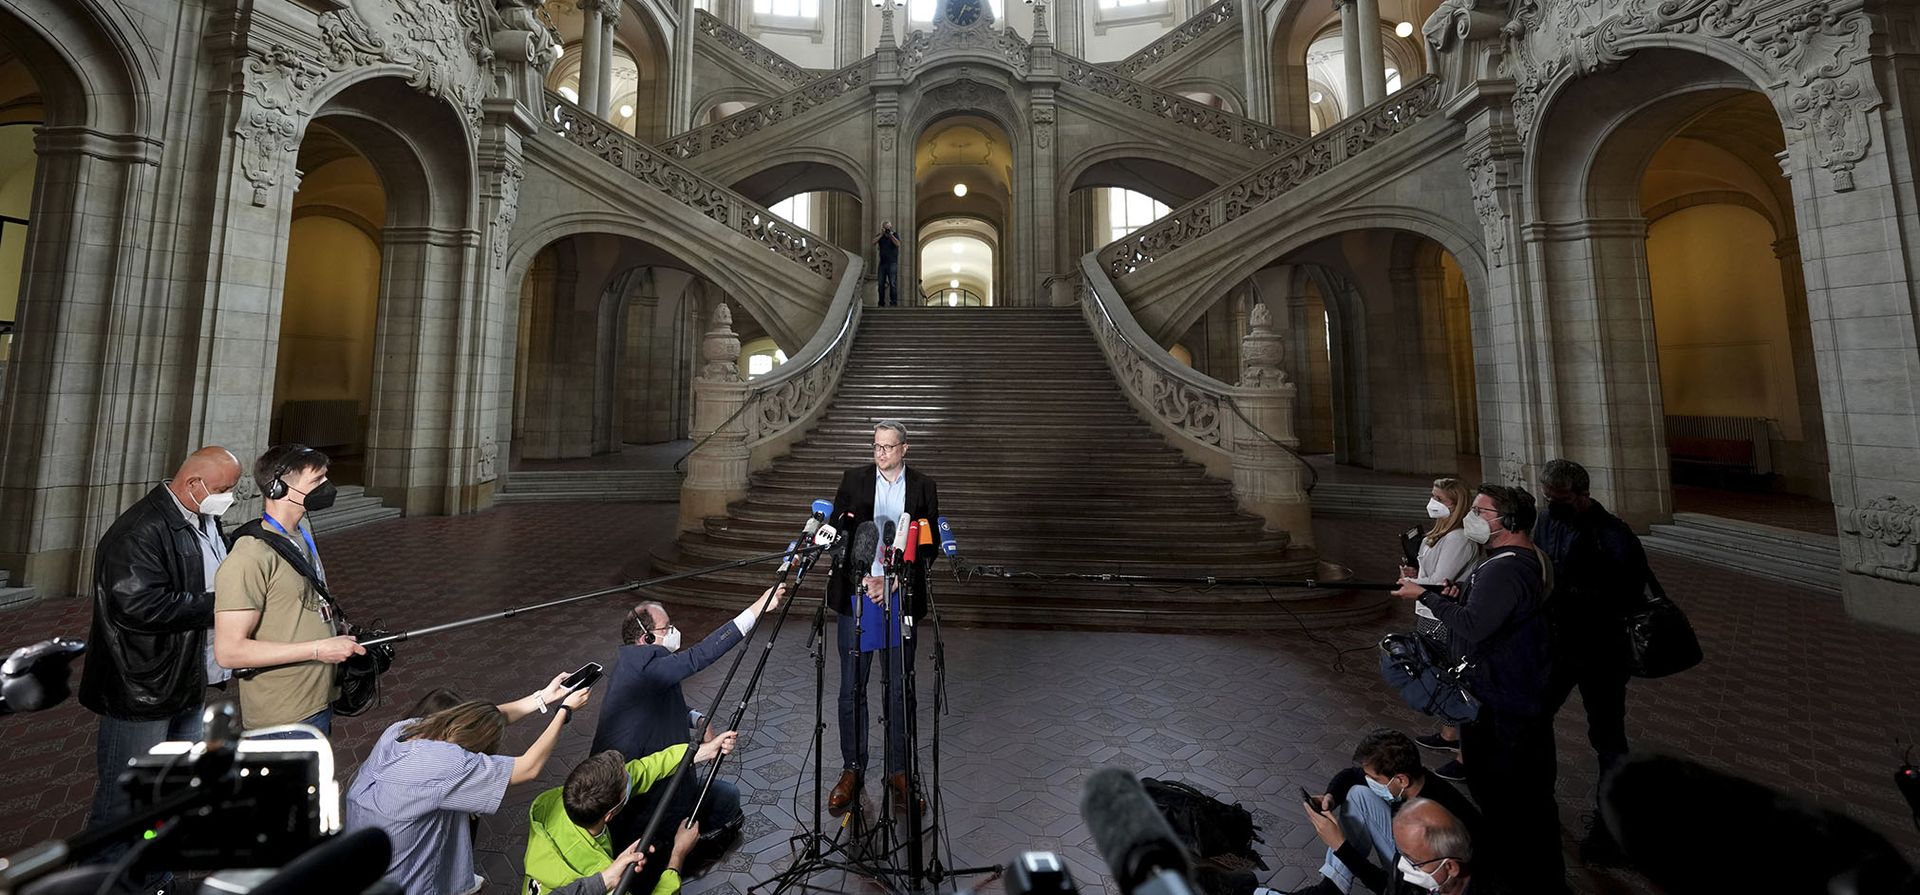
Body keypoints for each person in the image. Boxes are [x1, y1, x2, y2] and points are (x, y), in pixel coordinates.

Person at [1392, 484, 1559, 895]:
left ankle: (1521, 877)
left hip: (1504, 700)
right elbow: (1487, 612)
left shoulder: (1506, 567)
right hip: (1507, 694)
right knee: (1518, 796)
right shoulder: (1512, 561)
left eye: (1481, 513)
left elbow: (1474, 626)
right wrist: (1456, 595)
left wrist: (1428, 598)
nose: (1474, 519)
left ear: (1509, 522)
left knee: (1508, 797)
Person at [79, 447, 242, 848]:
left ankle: (151, 876)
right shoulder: (140, 529)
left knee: (168, 790)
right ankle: (104, 880)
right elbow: (138, 606)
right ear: (193, 484)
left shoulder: (202, 518)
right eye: (223, 488)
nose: (229, 496)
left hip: (185, 678)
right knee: (125, 801)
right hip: (144, 687)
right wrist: (223, 607)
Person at [592, 584, 787, 881]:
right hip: (641, 797)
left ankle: (682, 839)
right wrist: (760, 606)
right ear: (646, 637)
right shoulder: (645, 666)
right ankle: (674, 853)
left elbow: (665, 700)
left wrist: (697, 718)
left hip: (669, 779)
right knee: (722, 805)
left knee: (728, 799)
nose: (674, 632)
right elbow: (701, 655)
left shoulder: (640, 665)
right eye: (667, 627)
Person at [345, 674, 593, 895]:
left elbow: (476, 721)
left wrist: (543, 697)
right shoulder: (446, 764)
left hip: (363, 867)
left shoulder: (401, 731)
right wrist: (564, 711)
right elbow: (529, 767)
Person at [1533, 458, 1649, 863]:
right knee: (1535, 715)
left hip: (1602, 651)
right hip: (1559, 645)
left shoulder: (1613, 534)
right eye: (1548, 497)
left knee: (1608, 736)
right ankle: (1537, 797)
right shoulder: (1547, 520)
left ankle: (1612, 823)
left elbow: (1629, 593)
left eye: (1559, 498)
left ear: (1581, 495)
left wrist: (1572, 593)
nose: (1552, 504)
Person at [825, 420, 939, 813]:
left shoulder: (923, 487)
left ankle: (898, 771)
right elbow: (838, 533)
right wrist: (862, 575)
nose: (881, 454)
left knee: (898, 688)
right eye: (876, 447)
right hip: (857, 596)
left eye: (889, 447)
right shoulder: (853, 481)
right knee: (850, 690)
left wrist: (893, 582)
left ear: (904, 449)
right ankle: (852, 769)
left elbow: (929, 548)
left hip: (898, 598)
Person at [214, 444, 364, 733]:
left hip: (319, 698)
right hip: (284, 714)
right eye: (317, 481)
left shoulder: (302, 530)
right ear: (278, 489)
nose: (328, 487)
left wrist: (334, 629)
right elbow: (229, 652)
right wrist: (319, 648)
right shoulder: (250, 556)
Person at [522, 735, 739, 895]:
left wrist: (700, 752)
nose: (630, 776)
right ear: (609, 814)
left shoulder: (564, 800)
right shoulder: (599, 877)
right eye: (625, 786)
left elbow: (641, 769)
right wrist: (678, 855)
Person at [1290, 730, 1482, 895]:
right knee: (1358, 794)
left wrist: (1340, 846)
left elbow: (1390, 888)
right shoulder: (1410, 780)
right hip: (1427, 862)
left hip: (1435, 877)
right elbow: (1350, 776)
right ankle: (1331, 889)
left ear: (1401, 780)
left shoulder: (1433, 819)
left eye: (1374, 778)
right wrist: (1330, 797)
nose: (1369, 780)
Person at [1400, 478, 1480, 781]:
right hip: (1427, 611)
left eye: (1439, 498)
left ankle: (1466, 756)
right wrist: (1413, 574)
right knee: (1437, 671)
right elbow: (1428, 574)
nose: (1432, 502)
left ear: (1454, 504)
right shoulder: (1438, 533)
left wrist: (1414, 583)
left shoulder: (1459, 537)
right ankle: (1450, 734)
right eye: (1431, 495)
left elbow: (1441, 579)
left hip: (1443, 616)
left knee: (1451, 679)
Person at [874, 221, 901, 307]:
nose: (887, 230)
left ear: (891, 227)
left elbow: (898, 244)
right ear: (882, 228)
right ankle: (881, 302)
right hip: (882, 263)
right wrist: (881, 234)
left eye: (888, 228)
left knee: (892, 283)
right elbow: (873, 242)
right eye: (885, 228)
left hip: (892, 263)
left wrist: (891, 235)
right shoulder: (880, 236)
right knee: (881, 283)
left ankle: (893, 302)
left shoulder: (894, 235)